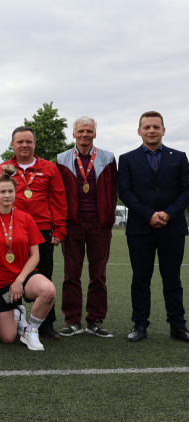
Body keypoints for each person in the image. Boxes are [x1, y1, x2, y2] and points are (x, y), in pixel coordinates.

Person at [0, 166, 57, 351]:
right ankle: (17, 312)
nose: (7, 195)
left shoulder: (27, 219)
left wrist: (19, 280)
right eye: (2, 191)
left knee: (48, 290)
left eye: (10, 191)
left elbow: (36, 256)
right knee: (7, 338)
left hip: (23, 278)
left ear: (16, 193)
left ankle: (31, 330)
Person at [118, 111, 189, 343]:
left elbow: (186, 190)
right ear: (139, 131)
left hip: (173, 228)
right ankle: (140, 324)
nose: (151, 131)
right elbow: (125, 192)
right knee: (140, 279)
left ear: (163, 130)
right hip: (140, 228)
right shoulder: (127, 159)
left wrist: (168, 214)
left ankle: (178, 326)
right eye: (146, 127)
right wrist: (149, 215)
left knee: (173, 279)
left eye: (156, 127)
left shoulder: (179, 157)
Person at [0, 126, 67, 339]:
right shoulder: (2, 168)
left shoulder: (50, 168)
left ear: (34, 144)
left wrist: (59, 229)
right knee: (8, 275)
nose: (24, 145)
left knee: (44, 276)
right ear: (12, 144)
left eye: (28, 141)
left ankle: (46, 324)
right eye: (20, 142)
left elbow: (59, 200)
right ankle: (10, 315)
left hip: (42, 231)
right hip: (10, 232)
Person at [55, 117, 117, 338]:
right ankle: (73, 321)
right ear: (74, 134)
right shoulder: (61, 159)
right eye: (81, 131)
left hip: (100, 224)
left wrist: (108, 216)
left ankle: (95, 321)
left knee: (98, 275)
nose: (85, 134)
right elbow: (57, 192)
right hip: (72, 223)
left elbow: (113, 189)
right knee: (71, 274)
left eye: (89, 131)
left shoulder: (108, 158)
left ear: (95, 134)